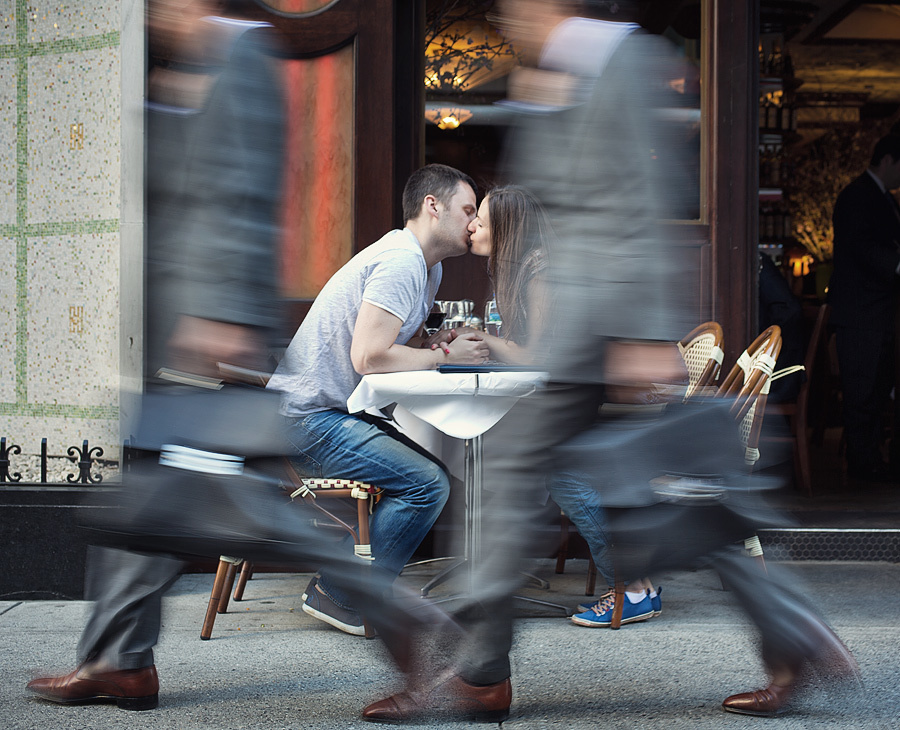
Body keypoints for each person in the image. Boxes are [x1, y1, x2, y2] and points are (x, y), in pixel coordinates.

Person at [361, 1, 857, 723]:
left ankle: (480, 673)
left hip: (597, 334)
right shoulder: (552, 74)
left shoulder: (623, 63)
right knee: (640, 494)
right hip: (579, 340)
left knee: (541, 483)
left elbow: (644, 204)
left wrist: (644, 335)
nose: (508, 18)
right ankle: (791, 634)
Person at [25, 1, 435, 711]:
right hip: (171, 338)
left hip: (209, 338)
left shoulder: (241, 55)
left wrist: (217, 317)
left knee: (254, 516)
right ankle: (117, 661)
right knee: (145, 502)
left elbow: (238, 199)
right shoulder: (182, 67)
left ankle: (413, 629)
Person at [266, 163, 490, 636]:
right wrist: (446, 355)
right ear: (433, 206)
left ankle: (361, 588)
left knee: (430, 475)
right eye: (468, 210)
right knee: (427, 484)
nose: (474, 222)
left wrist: (435, 341)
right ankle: (339, 592)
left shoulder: (428, 268)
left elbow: (388, 346)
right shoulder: (401, 261)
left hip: (328, 412)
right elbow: (369, 356)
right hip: (304, 419)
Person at [467, 184, 661, 626]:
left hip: (583, 395)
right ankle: (637, 581)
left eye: (481, 216)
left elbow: (538, 357)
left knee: (564, 479)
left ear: (507, 226)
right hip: (571, 392)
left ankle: (631, 589)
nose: (473, 224)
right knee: (543, 473)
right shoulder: (524, 269)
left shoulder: (539, 272)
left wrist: (486, 340)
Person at [828, 133, 900, 483]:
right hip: (860, 313)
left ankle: (870, 462)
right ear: (887, 160)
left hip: (876, 313)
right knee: (861, 392)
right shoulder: (858, 196)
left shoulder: (881, 197)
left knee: (873, 390)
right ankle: (862, 468)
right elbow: (861, 248)